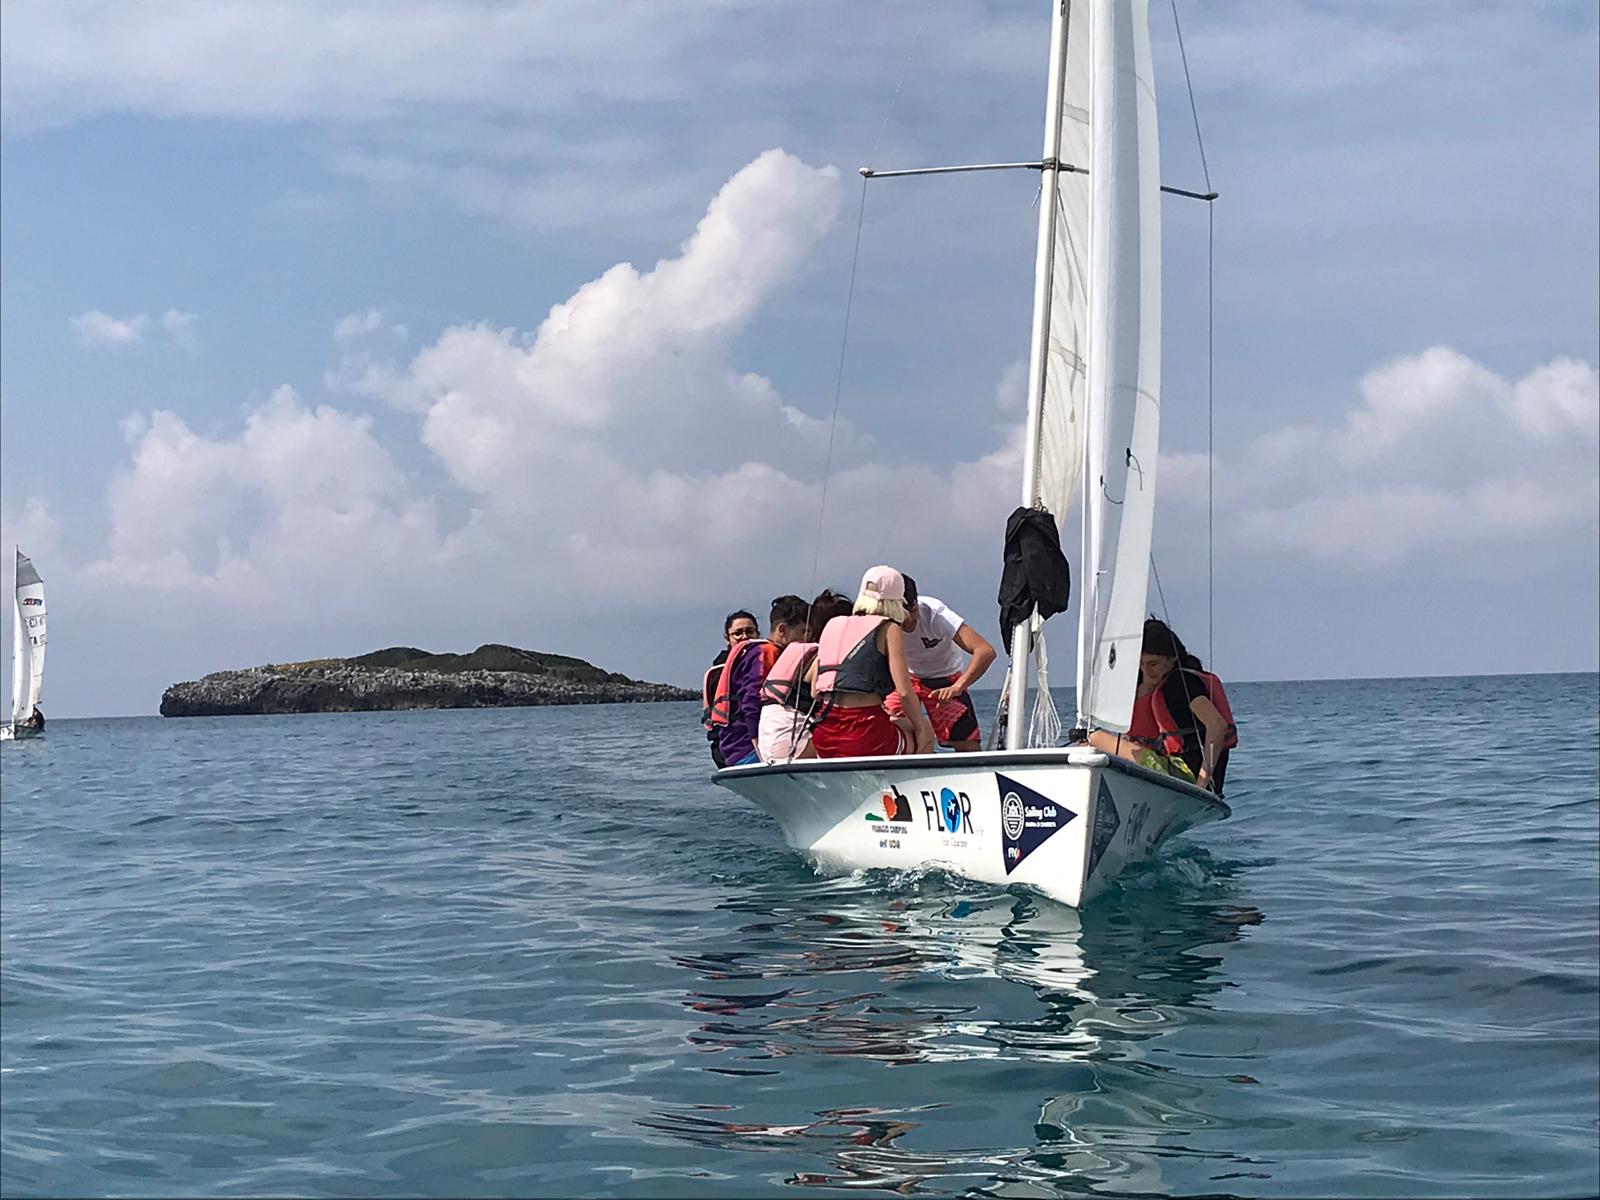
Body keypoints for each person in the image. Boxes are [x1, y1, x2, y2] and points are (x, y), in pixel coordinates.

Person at [1088, 618, 1237, 795]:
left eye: (1153, 664)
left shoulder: (1180, 684)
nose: (1146, 670)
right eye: (1141, 664)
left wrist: (1202, 782)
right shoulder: (1158, 686)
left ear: (1172, 659)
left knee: (1092, 738)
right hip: (1180, 771)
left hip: (1185, 775)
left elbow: (1217, 725)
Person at [809, 566, 934, 759]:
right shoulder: (889, 628)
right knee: (924, 728)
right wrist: (920, 729)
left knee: (894, 722)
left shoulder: (832, 624)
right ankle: (905, 787)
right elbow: (904, 692)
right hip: (864, 733)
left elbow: (815, 691)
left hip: (824, 732)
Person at [891, 575, 996, 751]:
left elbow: (985, 651)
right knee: (883, 722)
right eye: (903, 616)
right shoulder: (882, 621)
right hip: (906, 678)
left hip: (944, 679)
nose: (909, 620)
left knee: (967, 744)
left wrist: (958, 687)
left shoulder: (935, 613)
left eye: (913, 611)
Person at [711, 595, 808, 767]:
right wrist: (758, 746)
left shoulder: (751, 655)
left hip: (733, 748)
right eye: (803, 632)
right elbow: (751, 700)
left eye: (750, 631)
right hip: (747, 748)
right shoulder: (765, 653)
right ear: (782, 630)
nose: (806, 638)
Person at [757, 589, 852, 764]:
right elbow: (820, 695)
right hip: (787, 743)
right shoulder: (821, 655)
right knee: (855, 739)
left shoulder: (797, 651)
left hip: (768, 739)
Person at [702, 610, 759, 768]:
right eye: (738, 633)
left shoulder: (765, 662)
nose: (745, 637)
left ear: (758, 633)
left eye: (750, 631)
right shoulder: (719, 672)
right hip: (733, 748)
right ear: (727, 638)